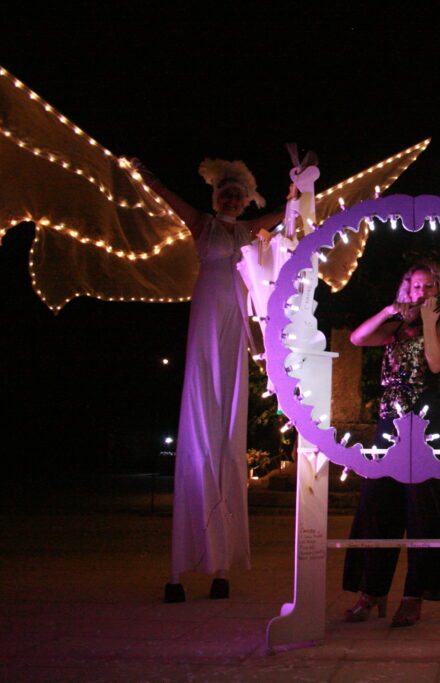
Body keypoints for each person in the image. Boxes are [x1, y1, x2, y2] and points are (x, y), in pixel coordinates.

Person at [138, 158, 284, 603]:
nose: (232, 199)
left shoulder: (249, 230)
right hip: (207, 310)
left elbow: (285, 214)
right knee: (202, 407)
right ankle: (184, 564)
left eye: (238, 195)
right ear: (216, 196)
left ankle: (223, 564)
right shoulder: (202, 225)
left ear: (245, 200)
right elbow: (169, 200)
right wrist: (148, 176)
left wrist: (299, 194)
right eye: (226, 193)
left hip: (235, 319)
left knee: (230, 418)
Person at [341, 261, 440, 627]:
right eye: (415, 287)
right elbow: (357, 339)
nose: (421, 293)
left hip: (427, 424)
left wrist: (429, 320)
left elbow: (436, 362)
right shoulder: (395, 328)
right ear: (406, 290)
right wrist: (386, 310)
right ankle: (372, 592)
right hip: (389, 422)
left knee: (423, 511)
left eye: (429, 287)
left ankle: (413, 596)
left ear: (439, 291)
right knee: (376, 506)